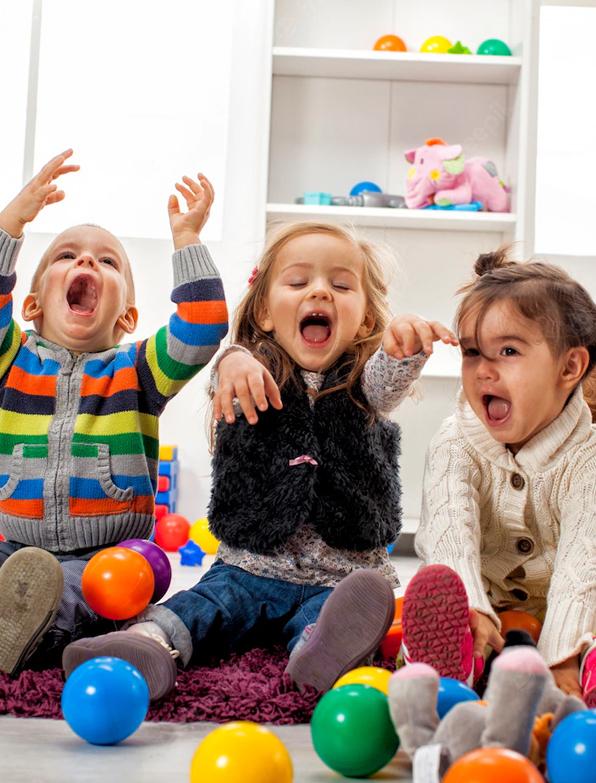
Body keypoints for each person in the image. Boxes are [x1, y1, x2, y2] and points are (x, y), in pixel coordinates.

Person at [64, 220, 458, 700]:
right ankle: (145, 643)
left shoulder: (363, 387)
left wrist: (403, 349)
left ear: (367, 321)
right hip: (248, 568)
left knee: (329, 622)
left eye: (340, 284)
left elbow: (386, 380)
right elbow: (227, 381)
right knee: (203, 606)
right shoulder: (250, 372)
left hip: (337, 579)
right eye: (298, 282)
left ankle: (316, 654)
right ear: (268, 313)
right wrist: (232, 359)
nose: (320, 292)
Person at [0, 149, 228, 675]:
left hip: (105, 554)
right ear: (32, 304)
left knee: (93, 593)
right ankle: (23, 621)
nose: (86, 263)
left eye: (107, 261)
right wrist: (12, 223)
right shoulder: (11, 359)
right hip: (13, 547)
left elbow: (203, 326)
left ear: (126, 315)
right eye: (67, 256)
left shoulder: (139, 368)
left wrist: (188, 240)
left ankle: (39, 634)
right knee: (14, 578)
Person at [401, 248, 596, 707]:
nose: (484, 369)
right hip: (488, 606)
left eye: (508, 351)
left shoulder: (587, 457)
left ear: (569, 368)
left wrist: (561, 658)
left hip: (566, 610)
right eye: (472, 352)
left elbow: (582, 566)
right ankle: (458, 654)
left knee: (585, 619)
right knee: (440, 588)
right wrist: (468, 607)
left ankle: (585, 662)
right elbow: (449, 534)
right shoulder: (456, 442)